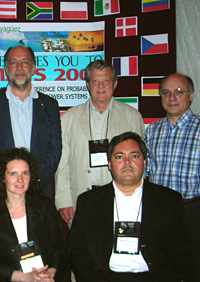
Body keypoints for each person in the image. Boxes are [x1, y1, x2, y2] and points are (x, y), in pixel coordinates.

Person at [68, 132, 189, 282]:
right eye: (119, 157)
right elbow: (77, 251)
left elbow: (181, 252)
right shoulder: (89, 202)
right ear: (110, 164)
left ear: (144, 162)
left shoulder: (168, 200)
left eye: (134, 156)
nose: (127, 162)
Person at [54, 60, 144, 225]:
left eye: (106, 81)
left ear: (115, 84)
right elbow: (62, 163)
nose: (101, 86)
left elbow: (139, 162)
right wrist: (64, 200)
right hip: (80, 198)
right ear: (87, 85)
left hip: (122, 198)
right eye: (95, 81)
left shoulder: (132, 116)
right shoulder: (68, 118)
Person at [144, 73, 200, 282]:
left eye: (179, 92)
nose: (172, 97)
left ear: (190, 96)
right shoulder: (152, 131)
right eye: (166, 92)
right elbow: (147, 172)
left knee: (196, 270)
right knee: (161, 269)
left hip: (195, 213)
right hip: (160, 212)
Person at [0, 45, 61, 198]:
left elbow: (54, 150)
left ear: (34, 68)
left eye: (25, 62)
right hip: (0, 193)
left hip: (39, 193)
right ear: (6, 68)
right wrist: (4, 181)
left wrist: (33, 180)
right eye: (13, 62)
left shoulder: (49, 105)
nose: (19, 67)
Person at [0, 148, 68, 282]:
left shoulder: (46, 207)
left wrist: (50, 273)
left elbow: (60, 250)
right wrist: (23, 278)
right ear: (2, 177)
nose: (20, 180)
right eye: (13, 174)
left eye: (25, 173)